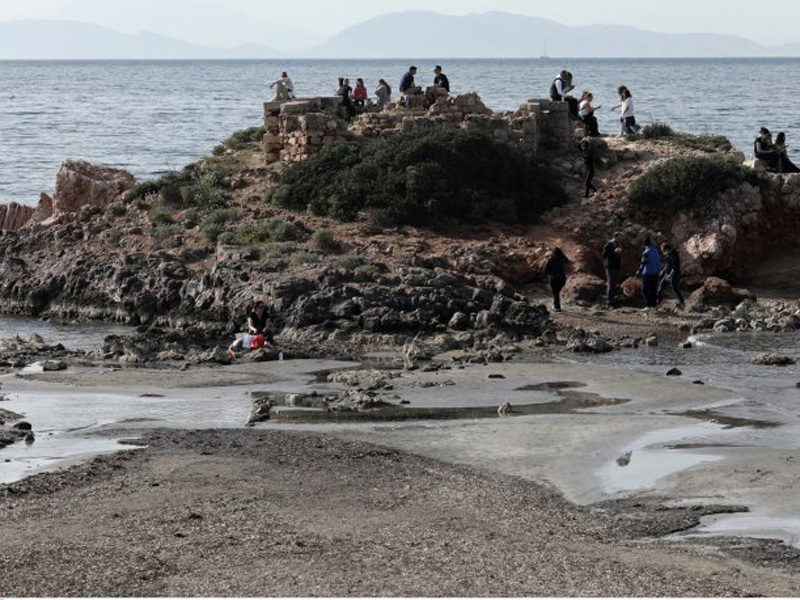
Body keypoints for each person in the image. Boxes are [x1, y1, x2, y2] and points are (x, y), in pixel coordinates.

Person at [658, 243, 686, 310]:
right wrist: (662, 271)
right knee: (661, 286)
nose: (663, 253)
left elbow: (674, 267)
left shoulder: (675, 255)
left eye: (663, 251)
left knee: (675, 288)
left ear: (667, 249)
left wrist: (670, 275)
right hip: (667, 274)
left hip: (675, 274)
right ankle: (658, 302)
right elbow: (668, 264)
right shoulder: (669, 254)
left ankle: (682, 302)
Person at [636, 237, 661, 309]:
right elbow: (658, 262)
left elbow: (643, 263)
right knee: (653, 290)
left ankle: (648, 305)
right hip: (655, 273)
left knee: (645, 290)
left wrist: (638, 272)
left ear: (644, 244)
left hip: (648, 273)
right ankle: (654, 306)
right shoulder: (656, 251)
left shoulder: (646, 252)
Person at [544, 248, 570, 313]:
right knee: (557, 293)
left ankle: (557, 307)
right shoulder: (562, 259)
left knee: (556, 293)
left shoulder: (550, 260)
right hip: (562, 279)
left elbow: (545, 270)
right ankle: (556, 305)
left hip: (553, 279)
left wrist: (550, 273)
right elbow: (567, 261)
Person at [602, 232, 623, 308]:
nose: (620, 239)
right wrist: (614, 252)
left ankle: (614, 301)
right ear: (615, 237)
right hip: (610, 266)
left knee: (614, 283)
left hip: (616, 266)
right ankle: (609, 302)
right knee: (611, 283)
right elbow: (604, 255)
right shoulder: (608, 244)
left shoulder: (618, 244)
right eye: (619, 237)